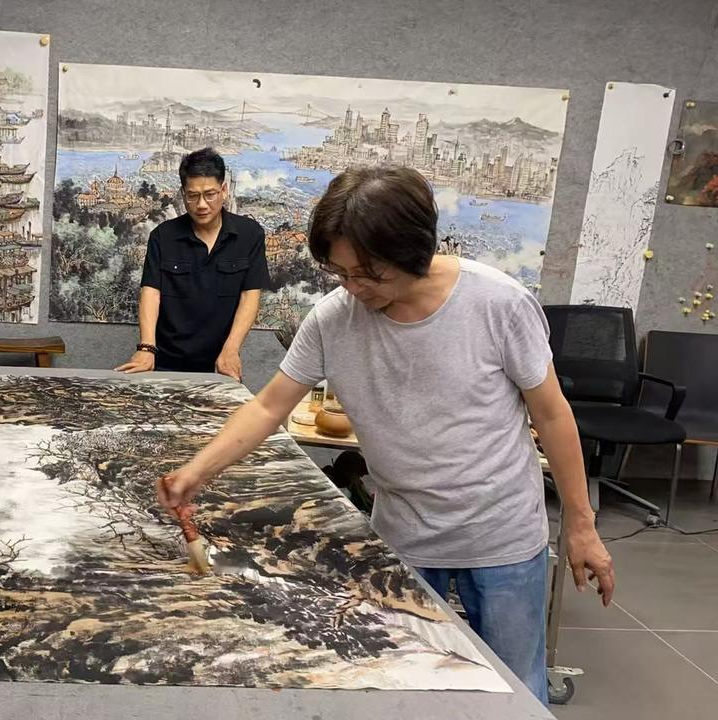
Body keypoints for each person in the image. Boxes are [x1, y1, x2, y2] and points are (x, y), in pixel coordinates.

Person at [156, 164, 613, 704]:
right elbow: (268, 407)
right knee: (403, 687)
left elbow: (553, 416)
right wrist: (197, 470)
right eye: (340, 273)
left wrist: (580, 523)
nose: (354, 288)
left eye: (369, 274)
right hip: (403, 536)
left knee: (514, 692)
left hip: (501, 536)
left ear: (413, 251)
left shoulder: (499, 304)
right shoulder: (334, 318)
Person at [116, 148, 270, 380]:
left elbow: (250, 296)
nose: (202, 204)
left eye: (210, 194)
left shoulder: (250, 234)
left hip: (220, 362)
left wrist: (231, 349)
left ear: (224, 190)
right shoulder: (163, 236)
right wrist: (146, 348)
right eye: (192, 195)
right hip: (166, 361)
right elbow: (151, 292)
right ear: (183, 193)